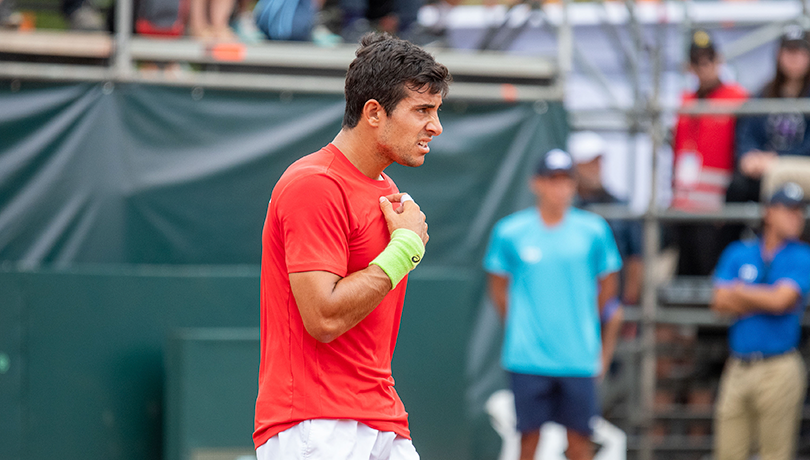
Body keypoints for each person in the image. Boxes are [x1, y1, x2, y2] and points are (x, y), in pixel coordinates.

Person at [253, 33, 451, 460]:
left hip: (380, 417)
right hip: (315, 425)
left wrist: (404, 248)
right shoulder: (314, 184)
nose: (435, 126)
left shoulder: (386, 187)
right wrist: (405, 250)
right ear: (374, 112)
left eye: (435, 111)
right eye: (422, 110)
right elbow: (323, 317)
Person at [483, 148, 623, 460]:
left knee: (579, 444)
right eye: (552, 180)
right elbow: (498, 287)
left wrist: (583, 326)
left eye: (566, 180)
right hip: (527, 359)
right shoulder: (510, 232)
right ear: (537, 183)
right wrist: (524, 324)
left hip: (577, 359)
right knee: (528, 442)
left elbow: (608, 287)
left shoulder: (594, 231)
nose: (560, 188)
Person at [711, 181, 810, 460]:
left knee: (775, 454)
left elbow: (782, 301)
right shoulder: (739, 251)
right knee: (728, 452)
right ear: (768, 212)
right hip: (739, 364)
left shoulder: (801, 254)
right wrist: (765, 297)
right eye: (787, 209)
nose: (795, 217)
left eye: (798, 211)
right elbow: (718, 301)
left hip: (778, 366)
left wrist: (740, 292)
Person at [671, 29, 747, 275]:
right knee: (685, 272)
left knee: (712, 272)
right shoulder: (686, 101)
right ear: (689, 66)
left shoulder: (738, 99)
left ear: (719, 60)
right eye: (697, 61)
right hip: (685, 206)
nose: (704, 67)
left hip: (717, 209)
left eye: (708, 60)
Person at [730, 25, 810, 204]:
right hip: (764, 166)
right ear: (779, 54)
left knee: (779, 179)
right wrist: (749, 155)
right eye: (789, 51)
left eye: (800, 52)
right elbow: (748, 131)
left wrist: (777, 158)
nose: (794, 58)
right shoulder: (764, 93)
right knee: (737, 188)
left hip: (797, 167)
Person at [569, 131, 643, 306]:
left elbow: (636, 256)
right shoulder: (566, 208)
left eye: (598, 161)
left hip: (613, 301)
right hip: (574, 297)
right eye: (589, 162)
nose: (596, 167)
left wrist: (629, 297)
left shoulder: (621, 206)